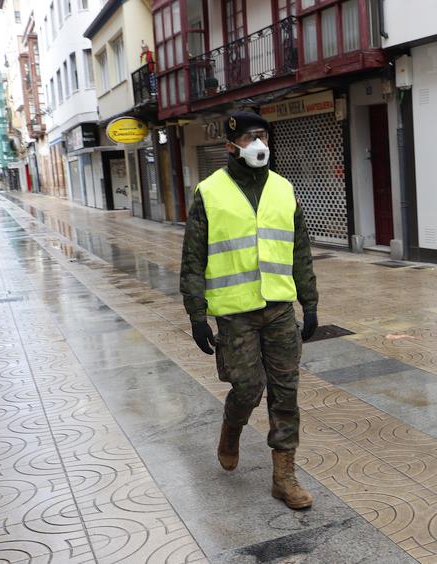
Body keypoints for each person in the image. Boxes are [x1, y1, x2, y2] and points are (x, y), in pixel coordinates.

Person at [180, 110, 320, 509]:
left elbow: (300, 250)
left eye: (262, 136)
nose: (258, 144)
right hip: (235, 311)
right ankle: (232, 427)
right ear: (230, 146)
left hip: (278, 307)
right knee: (247, 388)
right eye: (248, 138)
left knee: (285, 392)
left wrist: (309, 303)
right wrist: (196, 314)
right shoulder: (209, 192)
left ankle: (284, 476)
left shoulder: (283, 188)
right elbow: (193, 258)